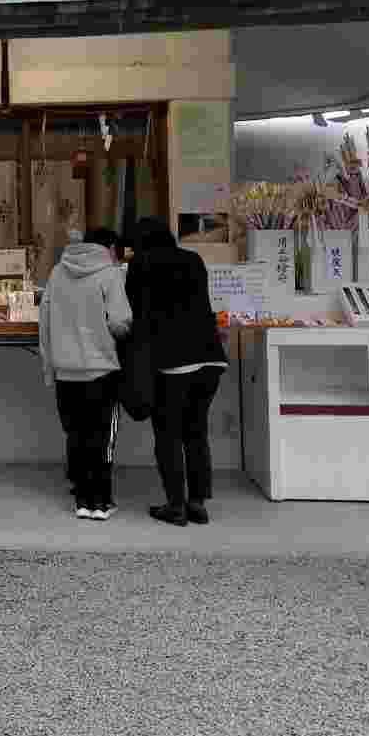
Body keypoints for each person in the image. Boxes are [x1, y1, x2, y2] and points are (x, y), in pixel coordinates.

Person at [123, 217, 229, 527]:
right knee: (195, 431)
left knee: (168, 433)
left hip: (173, 362)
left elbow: (134, 311)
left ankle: (175, 506)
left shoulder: (142, 264)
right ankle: (197, 502)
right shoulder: (193, 260)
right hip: (210, 359)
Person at [39, 226, 131, 521]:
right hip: (100, 370)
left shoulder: (57, 273)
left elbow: (44, 324)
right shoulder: (110, 274)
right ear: (110, 248)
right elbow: (119, 321)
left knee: (76, 436)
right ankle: (100, 502)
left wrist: (49, 367)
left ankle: (81, 500)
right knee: (102, 438)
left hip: (65, 372)